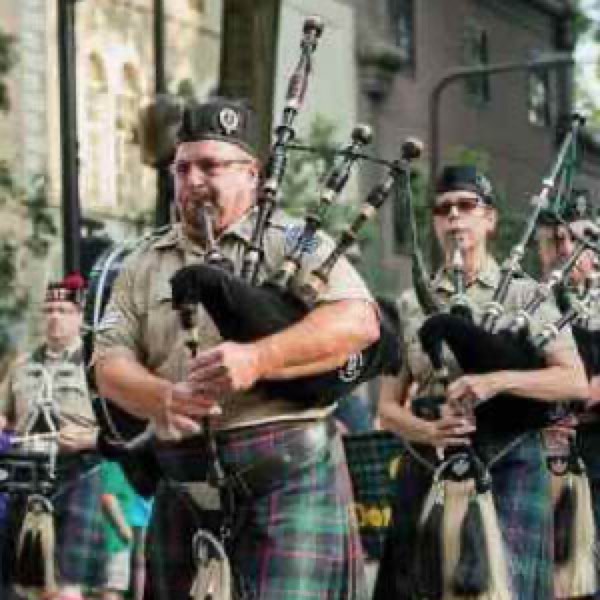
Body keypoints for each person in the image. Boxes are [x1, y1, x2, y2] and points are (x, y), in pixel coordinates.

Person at [93, 98, 379, 599]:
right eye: (182, 168)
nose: (193, 180)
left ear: (252, 174)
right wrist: (163, 396)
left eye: (211, 166)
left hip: (286, 482)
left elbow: (359, 322)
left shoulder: (293, 241)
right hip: (183, 485)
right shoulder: (143, 261)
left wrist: (258, 358)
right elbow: (109, 363)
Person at [374, 165, 588, 599]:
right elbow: (387, 407)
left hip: (508, 461)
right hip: (428, 464)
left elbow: (574, 382)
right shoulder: (412, 302)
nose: (454, 217)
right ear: (434, 221)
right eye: (443, 209)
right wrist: (426, 430)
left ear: (489, 219)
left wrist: (496, 380)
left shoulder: (526, 295)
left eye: (466, 206)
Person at [0, 273, 105, 599]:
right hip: (24, 477)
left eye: (63, 309)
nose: (54, 317)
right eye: (48, 310)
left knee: (66, 589)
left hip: (77, 475)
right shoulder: (21, 366)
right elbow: (4, 416)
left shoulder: (98, 365)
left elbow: (124, 428)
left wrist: (91, 439)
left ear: (79, 316)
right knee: (26, 586)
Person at [535, 198, 600, 599]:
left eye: (574, 239)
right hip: (547, 454)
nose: (564, 250)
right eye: (553, 240)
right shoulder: (533, 301)